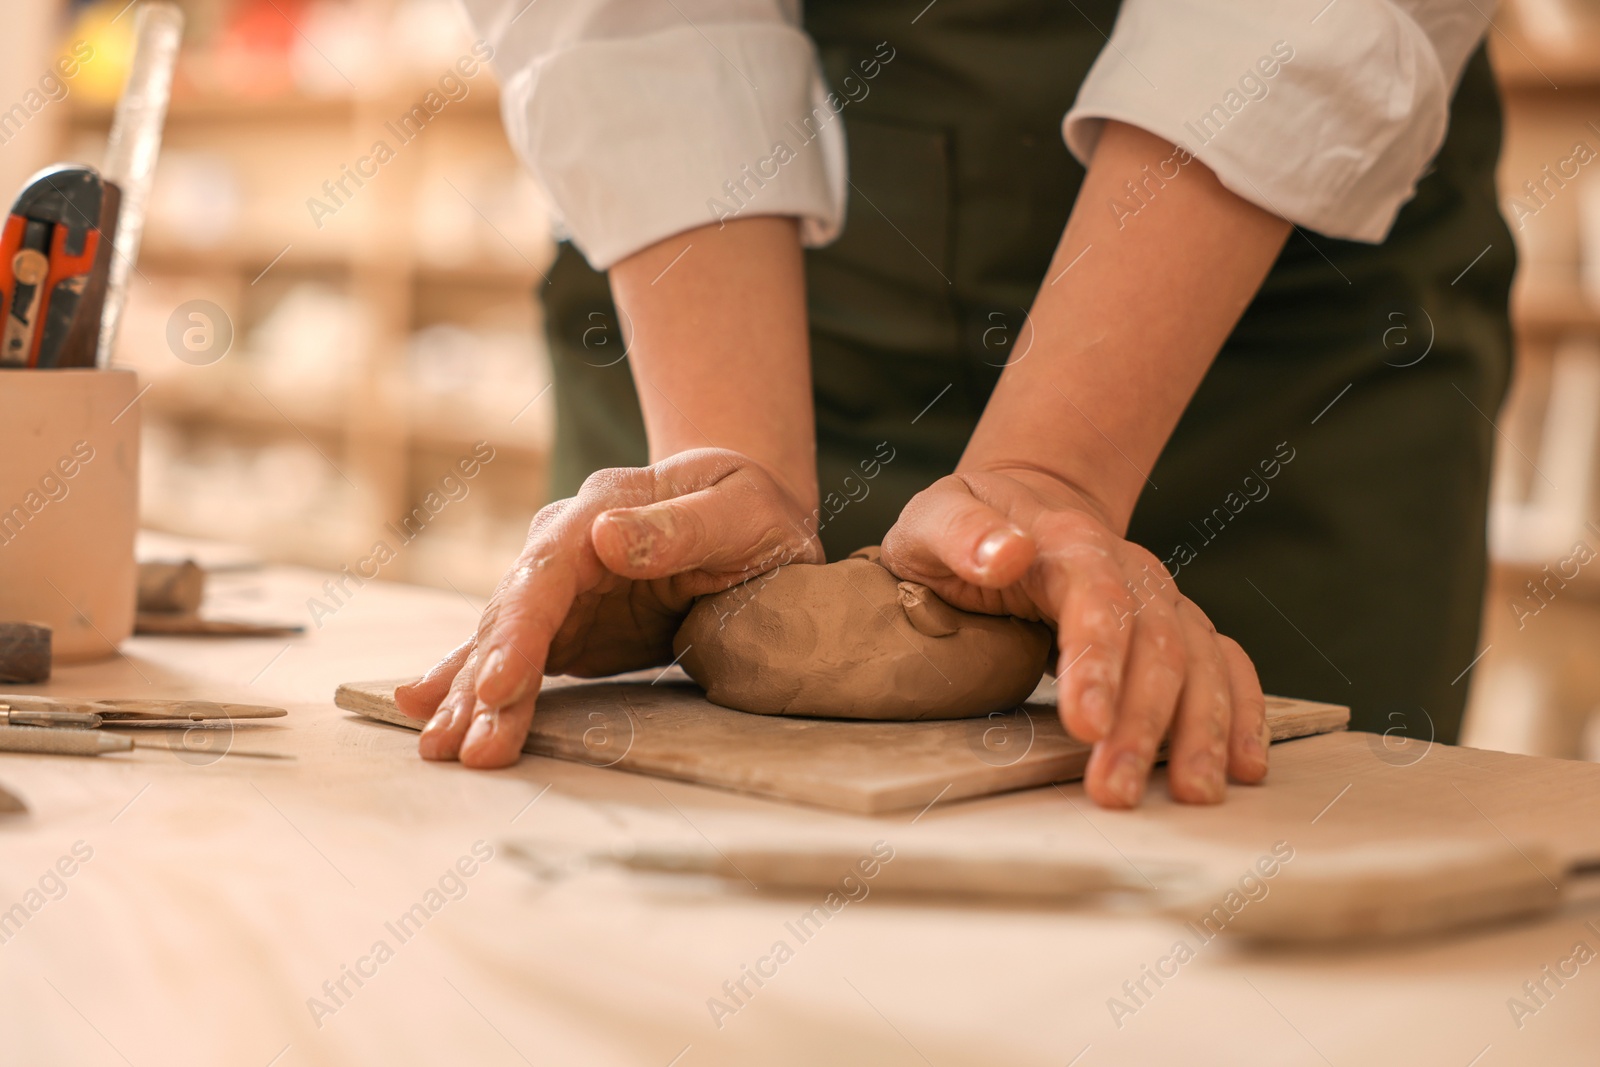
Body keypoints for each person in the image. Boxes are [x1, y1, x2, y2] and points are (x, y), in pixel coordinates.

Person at [396, 0, 1514, 808]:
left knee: (1261, 911)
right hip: (722, 261)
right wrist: (718, 457)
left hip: (1263, 287)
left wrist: (1053, 474)